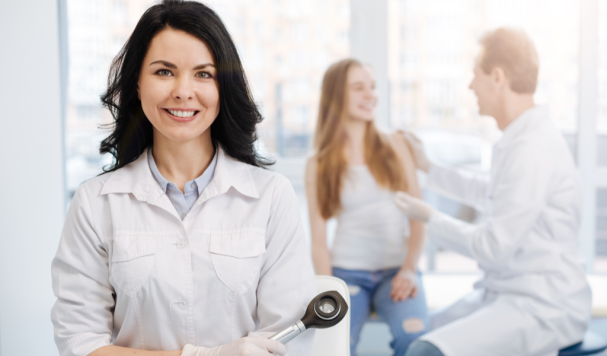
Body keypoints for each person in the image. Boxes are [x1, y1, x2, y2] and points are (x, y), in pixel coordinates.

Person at [51, 1, 316, 356]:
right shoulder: (94, 203)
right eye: (164, 72)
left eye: (203, 74)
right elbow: (80, 344)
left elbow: (288, 339)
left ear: (224, 87)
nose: (183, 90)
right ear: (137, 84)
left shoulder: (271, 197)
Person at [396, 28, 592, 356]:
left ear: (497, 77)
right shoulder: (519, 138)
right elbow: (491, 193)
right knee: (421, 331)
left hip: (542, 306)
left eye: (475, 76)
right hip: (507, 293)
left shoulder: (532, 148)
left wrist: (431, 219)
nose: (471, 87)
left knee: (424, 352)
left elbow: (492, 246)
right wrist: (429, 167)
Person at [305, 59, 428, 356]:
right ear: (336, 96)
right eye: (358, 88)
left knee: (415, 339)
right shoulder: (318, 163)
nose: (370, 95)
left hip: (396, 271)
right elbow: (319, 243)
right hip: (348, 273)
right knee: (335, 345)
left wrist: (410, 269)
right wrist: (328, 289)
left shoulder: (397, 145)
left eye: (372, 87)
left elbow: (419, 216)